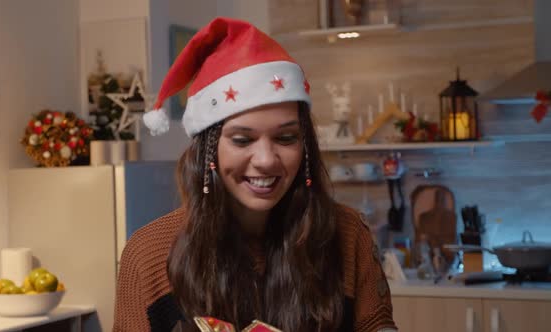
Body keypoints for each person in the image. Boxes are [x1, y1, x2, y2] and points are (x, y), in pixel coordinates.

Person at [113, 17, 397, 332]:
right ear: (209, 150)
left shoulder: (348, 234)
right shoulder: (147, 253)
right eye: (242, 140)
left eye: (286, 138)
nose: (265, 160)